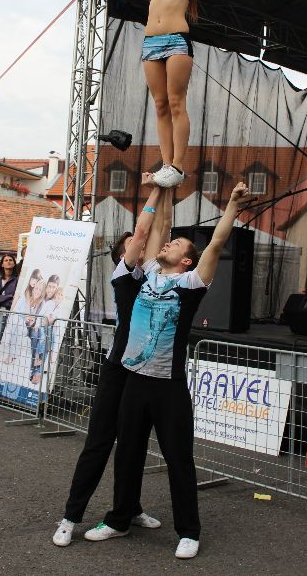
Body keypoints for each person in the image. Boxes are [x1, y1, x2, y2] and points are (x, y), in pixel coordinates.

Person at [85, 182, 249, 560]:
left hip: (168, 387)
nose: (169, 244)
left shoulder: (190, 283)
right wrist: (165, 186)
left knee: (178, 459)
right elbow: (159, 225)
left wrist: (232, 206)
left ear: (187, 261)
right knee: (127, 454)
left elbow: (216, 244)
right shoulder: (146, 274)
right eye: (170, 241)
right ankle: (120, 519)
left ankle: (188, 531)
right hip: (134, 383)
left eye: (177, 245)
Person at [101, 0, 255, 188]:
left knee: (175, 103)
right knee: (159, 105)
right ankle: (166, 164)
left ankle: (178, 166)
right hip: (151, 44)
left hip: (176, 41)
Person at [52, 177, 172, 548]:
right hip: (117, 369)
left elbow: (163, 227)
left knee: (133, 445)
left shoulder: (155, 275)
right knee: (99, 443)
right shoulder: (124, 276)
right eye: (133, 245)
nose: (142, 245)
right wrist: (156, 189)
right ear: (124, 256)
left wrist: (170, 185)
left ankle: (129, 509)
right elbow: (144, 229)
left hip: (142, 371)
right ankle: (70, 517)